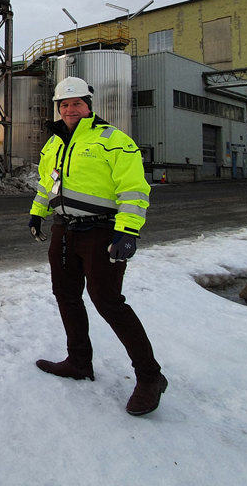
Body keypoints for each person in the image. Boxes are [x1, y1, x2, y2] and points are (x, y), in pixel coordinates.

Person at [28, 76, 167, 416]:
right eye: (64, 104)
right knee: (66, 295)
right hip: (64, 229)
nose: (70, 109)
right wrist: (36, 213)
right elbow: (48, 185)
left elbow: (134, 189)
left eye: (77, 103)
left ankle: (150, 377)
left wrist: (128, 232)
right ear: (58, 109)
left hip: (102, 232)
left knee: (108, 302)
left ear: (89, 105)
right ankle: (78, 362)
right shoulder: (54, 144)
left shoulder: (114, 140)